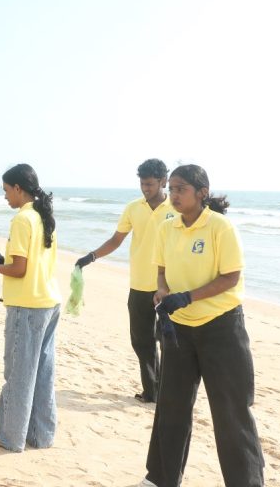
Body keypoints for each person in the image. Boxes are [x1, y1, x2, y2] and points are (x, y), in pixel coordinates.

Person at [141, 164, 264, 487]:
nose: (175, 195)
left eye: (181, 189)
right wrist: (163, 291)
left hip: (221, 329)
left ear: (202, 193)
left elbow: (231, 277)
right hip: (178, 330)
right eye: (174, 188)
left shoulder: (220, 228)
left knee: (231, 412)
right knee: (171, 408)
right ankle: (160, 479)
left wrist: (188, 297)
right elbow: (161, 270)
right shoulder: (167, 228)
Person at [0, 163, 61, 452]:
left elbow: (19, 270)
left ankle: (10, 436)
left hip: (27, 305)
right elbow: (30, 261)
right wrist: (1, 259)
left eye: (7, 190)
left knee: (19, 374)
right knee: (43, 374)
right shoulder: (44, 216)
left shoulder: (22, 220)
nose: (5, 196)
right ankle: (41, 435)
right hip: (48, 301)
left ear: (19, 189)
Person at [75, 159, 174, 403]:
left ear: (163, 181)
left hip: (170, 287)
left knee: (169, 343)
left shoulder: (177, 207)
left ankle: (169, 392)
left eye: (150, 184)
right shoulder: (133, 207)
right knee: (141, 342)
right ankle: (152, 391)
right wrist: (92, 256)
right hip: (139, 284)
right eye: (142, 183)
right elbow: (116, 239)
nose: (145, 188)